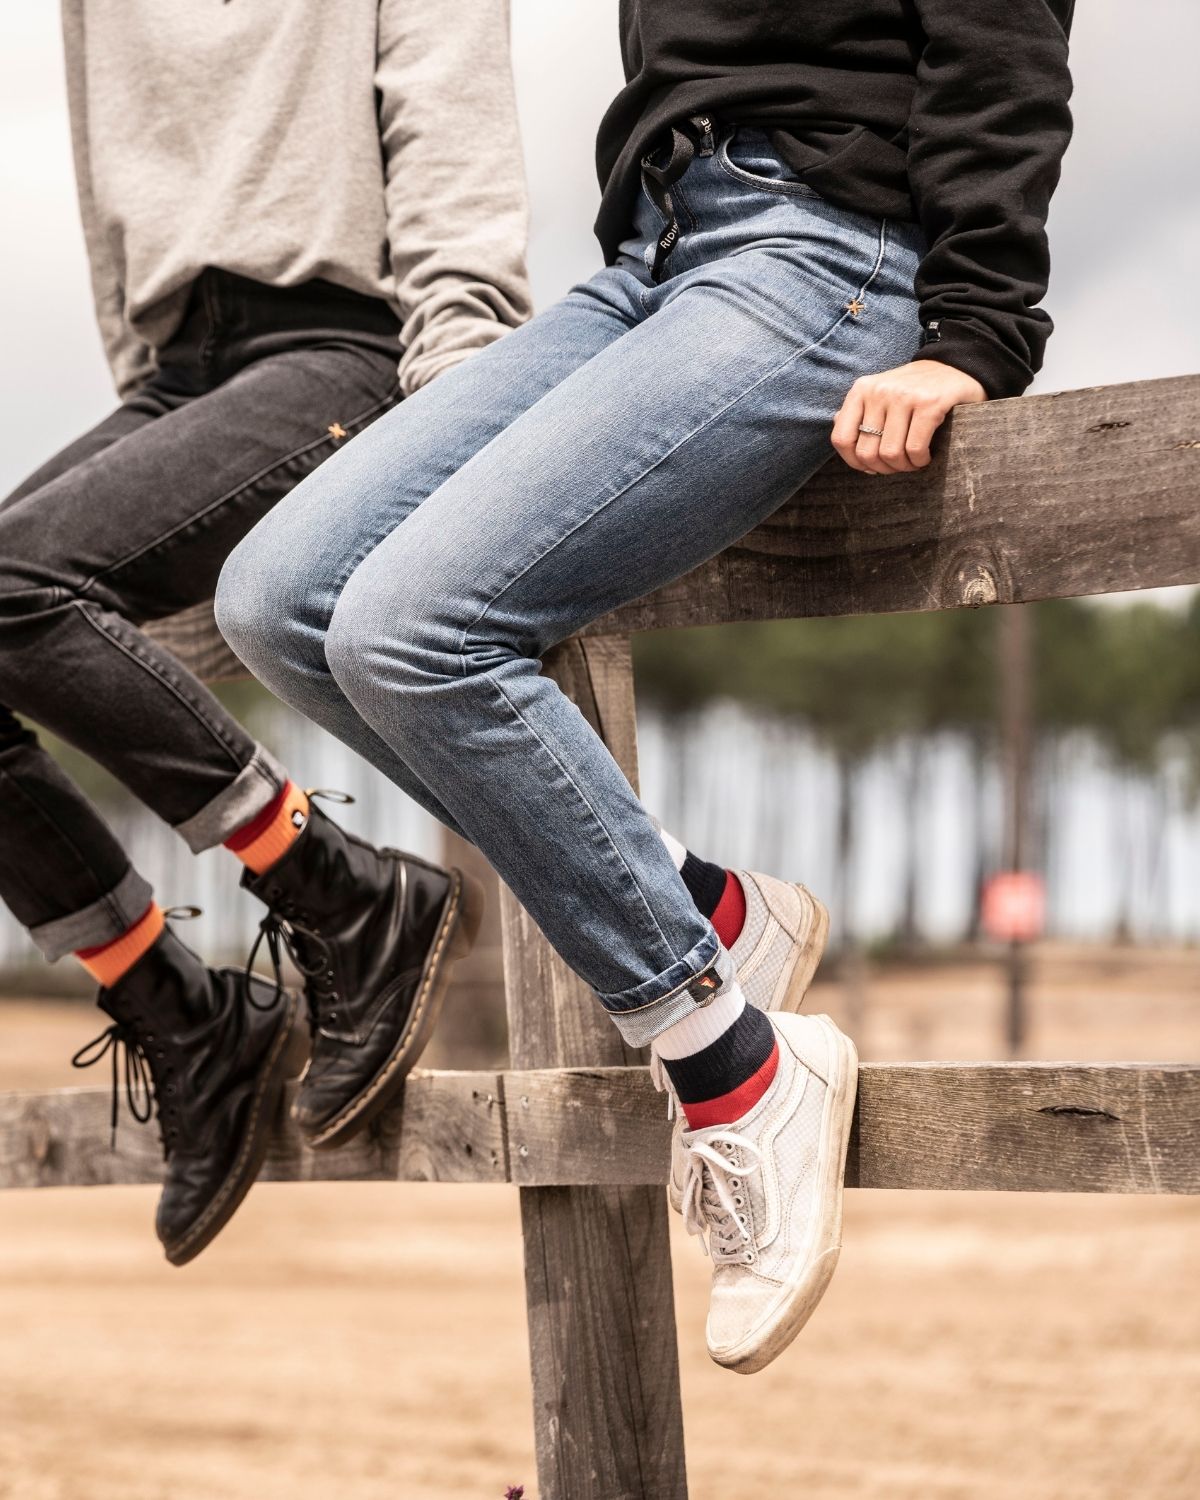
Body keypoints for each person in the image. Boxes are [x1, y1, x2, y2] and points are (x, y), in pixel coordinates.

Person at [217, 1, 1074, 1371]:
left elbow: (1006, 39)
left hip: (826, 256)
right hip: (657, 262)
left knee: (416, 628)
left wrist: (975, 329)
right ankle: (708, 910)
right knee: (279, 597)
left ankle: (735, 1073)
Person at [0, 1, 531, 1265]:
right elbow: (105, 169)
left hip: (353, 352)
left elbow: (446, 115)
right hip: (185, 373)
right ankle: (182, 1015)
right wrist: (145, 376)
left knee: (12, 585)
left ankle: (344, 895)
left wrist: (463, 389)